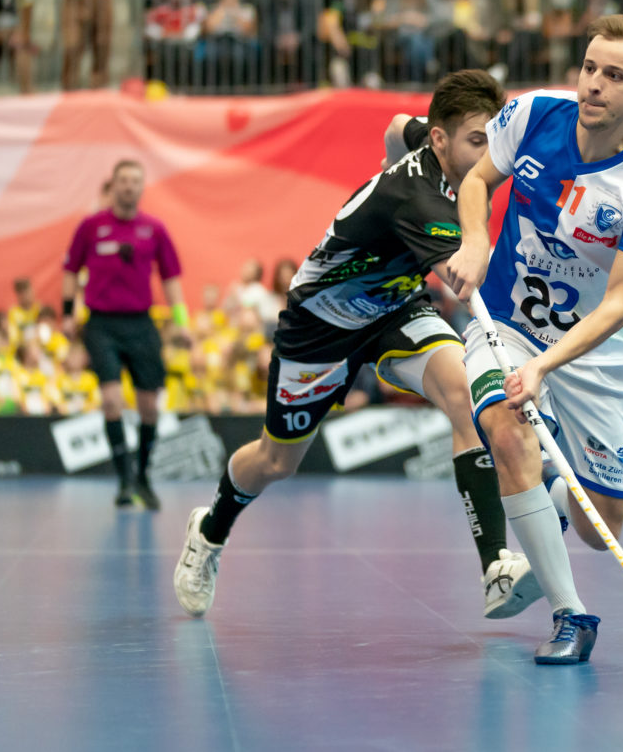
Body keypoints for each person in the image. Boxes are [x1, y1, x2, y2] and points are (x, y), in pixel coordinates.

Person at [172, 71, 543, 624]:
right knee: (277, 461)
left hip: (394, 306)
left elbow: (398, 128)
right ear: (441, 140)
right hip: (322, 324)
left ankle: (495, 568)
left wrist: (402, 157)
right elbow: (464, 276)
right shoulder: (417, 201)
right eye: (477, 142)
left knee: (464, 396)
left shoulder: (432, 142)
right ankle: (210, 529)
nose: (490, 154)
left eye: (494, 138)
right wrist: (477, 236)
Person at [444, 14, 623, 664]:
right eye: (590, 67)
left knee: (601, 524)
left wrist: (548, 365)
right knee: (505, 423)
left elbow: (621, 300)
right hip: (506, 323)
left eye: (615, 75)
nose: (594, 84)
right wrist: (474, 240)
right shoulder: (530, 116)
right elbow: (475, 181)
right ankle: (571, 614)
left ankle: (553, 504)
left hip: (597, 353)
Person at [61, 159, 187, 508]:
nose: (129, 186)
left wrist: (181, 321)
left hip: (141, 324)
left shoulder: (155, 229)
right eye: (123, 180)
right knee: (112, 400)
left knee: (149, 408)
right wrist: (68, 314)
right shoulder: (90, 227)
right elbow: (70, 270)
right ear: (113, 185)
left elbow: (171, 279)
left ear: (142, 187)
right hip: (101, 324)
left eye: (135, 180)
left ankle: (143, 477)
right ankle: (124, 480)